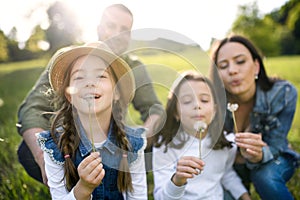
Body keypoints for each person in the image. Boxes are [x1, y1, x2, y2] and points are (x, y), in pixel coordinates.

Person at [16, 3, 163, 184]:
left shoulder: (134, 67)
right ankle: (68, 184)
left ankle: (117, 183)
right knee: (28, 149)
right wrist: (42, 157)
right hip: (72, 145)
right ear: (99, 28)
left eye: (124, 30)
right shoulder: (67, 58)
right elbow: (33, 108)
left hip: (115, 146)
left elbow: (155, 110)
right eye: (111, 26)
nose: (117, 34)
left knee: (154, 144)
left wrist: (136, 146)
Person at [36, 41, 147, 199]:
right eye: (79, 77)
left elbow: (138, 197)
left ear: (116, 92)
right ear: (69, 96)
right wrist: (83, 189)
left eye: (101, 75)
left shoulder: (132, 143)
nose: (89, 82)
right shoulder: (55, 146)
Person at [210, 34, 300, 200]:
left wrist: (259, 155)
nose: (232, 70)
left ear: (256, 66)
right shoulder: (210, 103)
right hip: (230, 167)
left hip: (272, 157)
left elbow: (276, 144)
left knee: (265, 178)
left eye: (240, 61)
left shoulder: (283, 94)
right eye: (223, 66)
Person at [152, 70, 250, 200]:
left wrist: (244, 196)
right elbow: (160, 197)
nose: (197, 105)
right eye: (187, 101)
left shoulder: (226, 142)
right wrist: (177, 180)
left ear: (214, 110)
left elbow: (225, 174)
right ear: (175, 112)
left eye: (204, 100)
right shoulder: (165, 145)